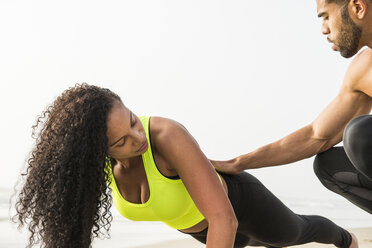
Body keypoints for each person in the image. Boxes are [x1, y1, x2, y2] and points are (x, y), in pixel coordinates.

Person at [14, 84, 357, 248]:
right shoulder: (94, 170)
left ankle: (347, 240)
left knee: (293, 233)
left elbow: (224, 218)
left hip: (239, 206)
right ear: (95, 152)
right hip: (201, 230)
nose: (138, 137)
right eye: (122, 141)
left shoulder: (166, 134)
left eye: (133, 121)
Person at [212, 0, 372, 215]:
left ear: (358, 8)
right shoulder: (363, 70)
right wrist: (238, 163)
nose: (324, 29)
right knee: (329, 165)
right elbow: (316, 136)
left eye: (326, 16)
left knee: (361, 132)